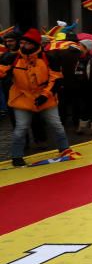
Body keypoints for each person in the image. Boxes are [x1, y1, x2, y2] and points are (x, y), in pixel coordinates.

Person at [0, 28, 77, 167]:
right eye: (22, 42)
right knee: (21, 128)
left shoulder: (49, 58)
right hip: (21, 98)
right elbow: (2, 71)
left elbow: (56, 79)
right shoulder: (12, 58)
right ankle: (17, 157)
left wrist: (45, 95)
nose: (22, 45)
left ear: (35, 44)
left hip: (46, 98)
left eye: (26, 43)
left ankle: (64, 149)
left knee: (56, 125)